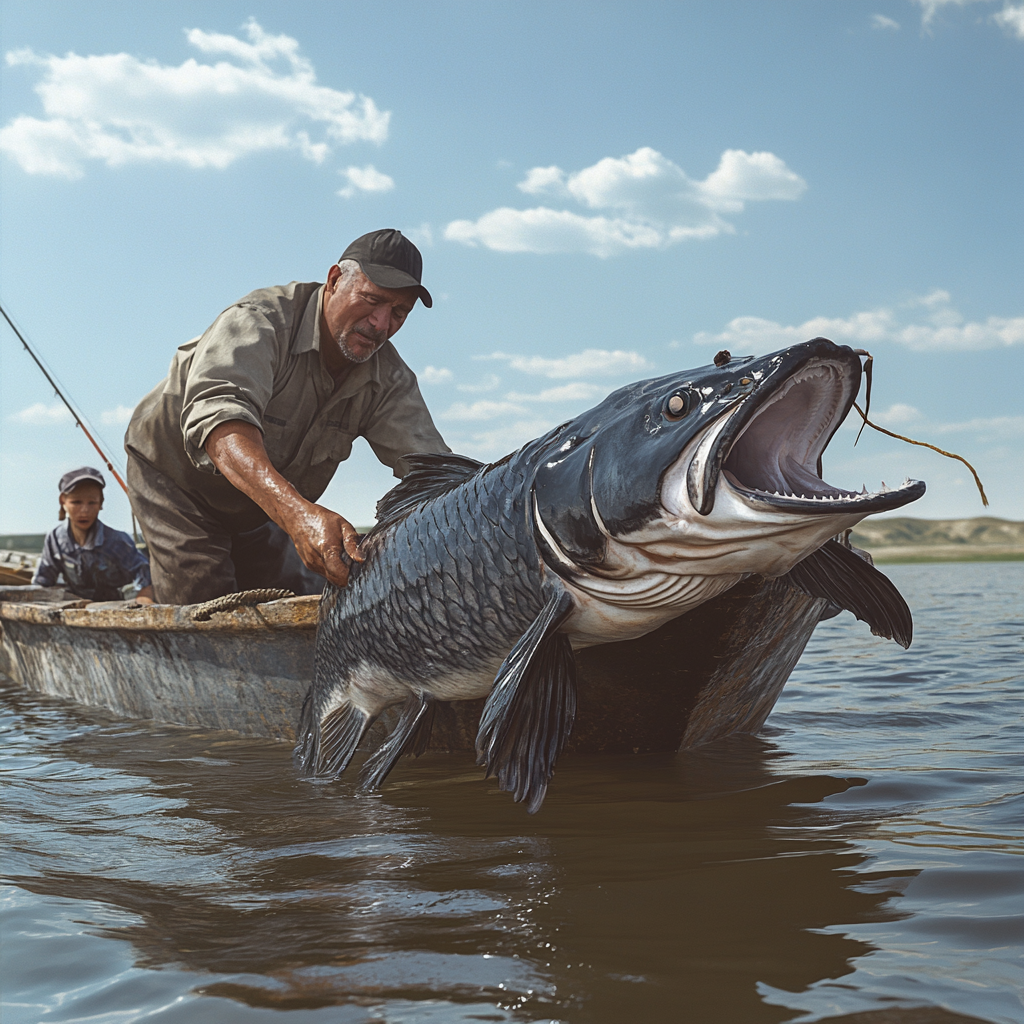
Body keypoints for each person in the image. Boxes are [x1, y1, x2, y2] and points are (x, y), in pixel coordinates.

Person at [125, 228, 449, 606]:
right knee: (207, 601)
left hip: (260, 506)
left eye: (398, 313)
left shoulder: (389, 379)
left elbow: (438, 473)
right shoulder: (259, 322)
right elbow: (221, 424)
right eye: (372, 300)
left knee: (300, 598)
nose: (380, 324)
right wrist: (298, 515)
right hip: (177, 483)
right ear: (334, 281)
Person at [33, 467, 154, 603]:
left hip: (113, 609)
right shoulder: (56, 538)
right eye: (76, 502)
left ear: (101, 503)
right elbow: (43, 581)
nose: (85, 510)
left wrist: (143, 600)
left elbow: (145, 577)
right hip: (74, 610)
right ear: (63, 501)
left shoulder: (118, 541)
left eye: (92, 503)